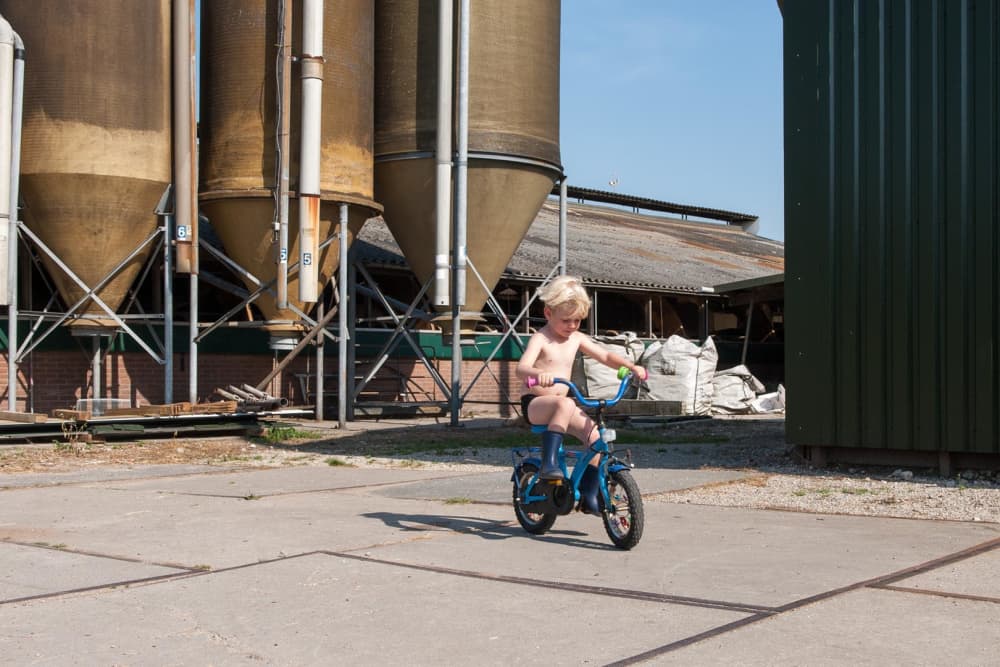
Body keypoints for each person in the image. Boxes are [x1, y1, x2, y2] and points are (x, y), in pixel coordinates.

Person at [516, 275, 646, 515]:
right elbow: (521, 369)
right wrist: (537, 373)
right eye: (566, 320)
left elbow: (604, 356)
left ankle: (588, 493)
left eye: (577, 320)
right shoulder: (541, 338)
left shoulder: (575, 338)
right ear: (548, 313)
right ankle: (549, 463)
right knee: (565, 404)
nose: (572, 326)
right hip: (536, 404)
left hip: (562, 406)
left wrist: (630, 366)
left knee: (597, 439)